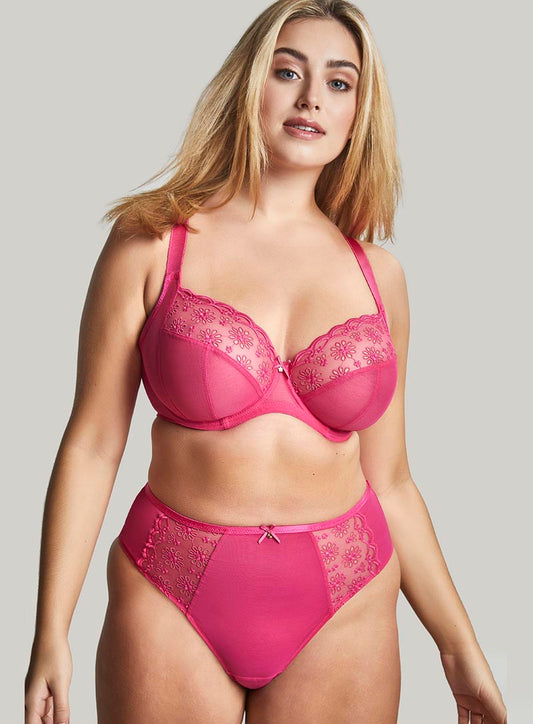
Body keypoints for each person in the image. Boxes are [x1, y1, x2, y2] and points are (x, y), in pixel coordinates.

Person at [24, 1, 507, 722]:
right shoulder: (151, 242)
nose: (311, 98)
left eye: (339, 82)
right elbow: (93, 445)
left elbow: (392, 480)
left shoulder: (380, 278)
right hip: (171, 589)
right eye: (287, 72)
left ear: (358, 114)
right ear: (249, 86)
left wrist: (458, 647)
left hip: (345, 598)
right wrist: (50, 631)